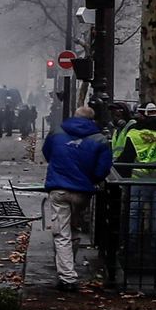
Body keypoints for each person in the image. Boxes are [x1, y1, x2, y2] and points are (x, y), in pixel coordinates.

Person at [41, 104, 115, 291]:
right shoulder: (99, 139)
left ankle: (67, 277)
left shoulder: (57, 132)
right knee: (74, 229)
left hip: (58, 187)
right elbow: (103, 168)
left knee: (61, 233)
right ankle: (68, 267)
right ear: (92, 119)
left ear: (74, 116)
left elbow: (47, 153)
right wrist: (92, 179)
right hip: (83, 190)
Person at [116, 103, 156, 255]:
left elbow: (126, 157)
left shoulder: (134, 133)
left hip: (138, 180)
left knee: (134, 214)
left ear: (142, 115)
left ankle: (131, 248)